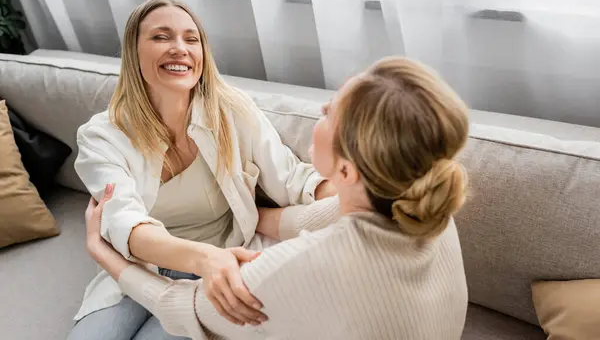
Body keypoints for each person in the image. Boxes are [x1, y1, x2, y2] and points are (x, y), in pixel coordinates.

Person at [84, 56, 471, 340]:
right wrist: (233, 214)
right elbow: (304, 219)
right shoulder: (425, 210)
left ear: (348, 172)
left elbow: (188, 310)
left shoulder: (304, 264)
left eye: (329, 113)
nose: (319, 110)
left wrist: (102, 251)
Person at [68, 0, 337, 340]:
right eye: (161, 37)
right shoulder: (102, 136)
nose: (179, 48)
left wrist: (358, 197)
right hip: (141, 267)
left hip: (220, 267)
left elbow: (294, 180)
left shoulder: (231, 111)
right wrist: (202, 258)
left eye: (190, 39)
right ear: (133, 53)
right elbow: (125, 225)